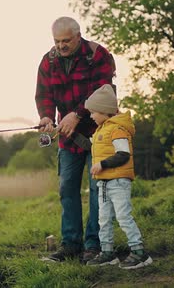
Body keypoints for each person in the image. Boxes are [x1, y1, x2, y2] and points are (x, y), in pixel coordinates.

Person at [35, 16, 115, 263]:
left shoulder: (98, 55)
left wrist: (76, 115)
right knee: (66, 188)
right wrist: (47, 117)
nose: (61, 46)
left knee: (96, 189)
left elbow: (102, 91)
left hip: (98, 132)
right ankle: (70, 245)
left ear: (78, 36)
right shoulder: (48, 62)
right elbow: (43, 95)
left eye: (66, 40)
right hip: (68, 138)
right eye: (57, 41)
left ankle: (94, 245)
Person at [77, 84, 153, 269]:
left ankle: (139, 252)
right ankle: (107, 252)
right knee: (103, 219)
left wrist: (102, 164)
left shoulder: (118, 129)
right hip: (103, 183)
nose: (91, 116)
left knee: (123, 217)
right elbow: (89, 146)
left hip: (118, 182)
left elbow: (123, 154)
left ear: (104, 111)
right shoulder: (100, 130)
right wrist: (71, 135)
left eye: (93, 112)